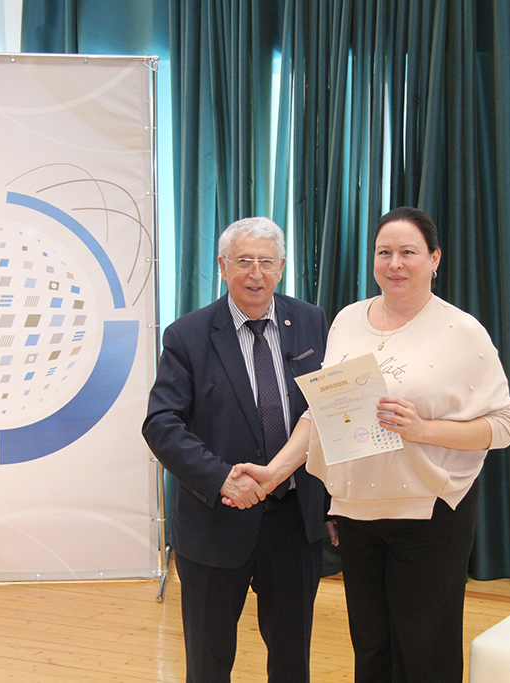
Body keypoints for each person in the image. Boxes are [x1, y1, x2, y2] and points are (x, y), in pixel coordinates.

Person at [227, 206, 510, 683]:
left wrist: (422, 429)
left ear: (434, 259)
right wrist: (273, 473)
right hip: (357, 514)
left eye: (408, 252)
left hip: (428, 514)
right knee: (371, 649)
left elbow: (501, 426)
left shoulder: (462, 331)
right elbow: (321, 413)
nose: (395, 264)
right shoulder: (346, 320)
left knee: (425, 652)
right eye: (384, 252)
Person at [142, 217, 328, 683]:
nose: (256, 273)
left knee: (292, 662)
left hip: (293, 521)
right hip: (216, 521)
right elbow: (161, 424)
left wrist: (332, 505)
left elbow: (329, 410)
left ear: (282, 267)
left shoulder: (311, 321)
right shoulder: (188, 335)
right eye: (244, 261)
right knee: (208, 664)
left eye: (267, 262)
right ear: (223, 267)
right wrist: (221, 478)